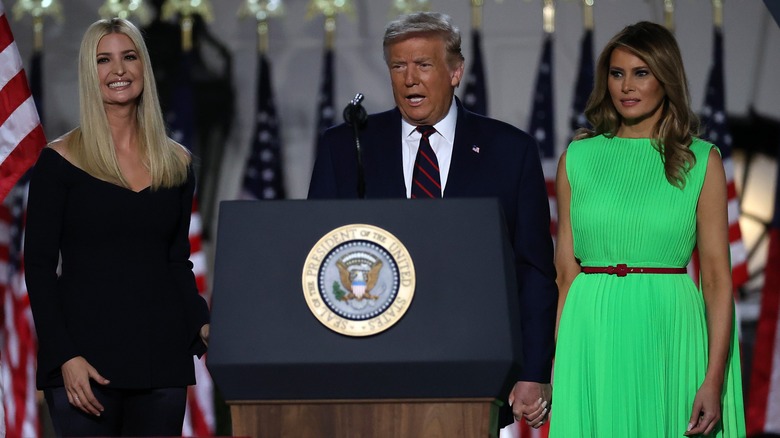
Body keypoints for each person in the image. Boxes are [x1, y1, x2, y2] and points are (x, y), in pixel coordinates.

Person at [308, 11, 557, 428]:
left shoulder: (509, 151)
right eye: (398, 66)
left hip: (474, 366)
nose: (410, 79)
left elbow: (532, 270)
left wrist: (534, 371)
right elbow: (317, 256)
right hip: (369, 367)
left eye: (423, 65)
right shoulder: (347, 147)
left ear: (456, 71)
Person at [550, 21, 746, 437]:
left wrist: (714, 379)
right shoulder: (578, 159)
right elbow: (565, 274)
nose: (626, 86)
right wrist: (556, 364)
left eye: (641, 73)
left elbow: (715, 280)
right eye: (617, 73)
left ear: (666, 79)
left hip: (669, 331)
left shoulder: (699, 160)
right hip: (590, 334)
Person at [24, 18, 210, 437]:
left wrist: (203, 323)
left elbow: (176, 261)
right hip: (84, 366)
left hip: (161, 361)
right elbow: (37, 269)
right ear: (90, 74)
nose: (118, 70)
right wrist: (64, 357)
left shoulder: (176, 162)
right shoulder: (58, 162)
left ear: (144, 65)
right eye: (103, 60)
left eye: (129, 57)